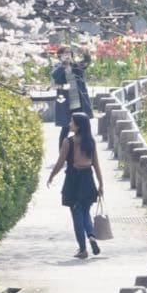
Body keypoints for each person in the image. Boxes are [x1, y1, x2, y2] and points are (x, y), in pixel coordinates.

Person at [47, 111, 105, 259]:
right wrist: (101, 185)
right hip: (88, 179)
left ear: (78, 125)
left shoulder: (69, 142)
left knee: (76, 215)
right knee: (85, 213)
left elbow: (60, 163)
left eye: (72, 122)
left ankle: (82, 249)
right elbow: (96, 165)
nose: (69, 124)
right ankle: (91, 236)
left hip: (74, 180)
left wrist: (51, 176)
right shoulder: (90, 142)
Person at [51, 46, 93, 146]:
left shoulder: (76, 65)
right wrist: (63, 65)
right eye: (65, 53)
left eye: (69, 52)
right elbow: (54, 77)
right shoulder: (57, 66)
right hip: (66, 104)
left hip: (79, 102)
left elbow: (86, 62)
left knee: (82, 128)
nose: (68, 54)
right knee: (65, 129)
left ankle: (82, 151)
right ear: (60, 55)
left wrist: (86, 52)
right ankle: (62, 154)